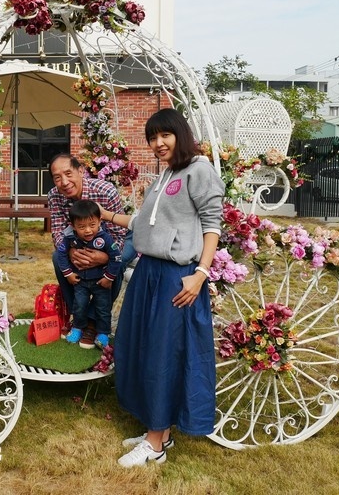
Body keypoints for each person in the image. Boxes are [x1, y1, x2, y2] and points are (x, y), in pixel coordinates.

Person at [98, 108, 224, 468]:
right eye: (152, 138)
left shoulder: (199, 171)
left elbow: (213, 226)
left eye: (164, 135)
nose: (157, 143)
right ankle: (159, 432)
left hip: (175, 276)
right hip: (149, 273)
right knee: (141, 348)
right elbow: (142, 223)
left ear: (180, 134)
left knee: (164, 355)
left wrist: (200, 273)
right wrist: (104, 215)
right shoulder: (164, 175)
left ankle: (154, 443)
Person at [48, 154, 134, 348]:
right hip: (79, 244)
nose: (64, 182)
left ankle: (94, 321)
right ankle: (79, 318)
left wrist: (104, 257)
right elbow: (58, 231)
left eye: (68, 174)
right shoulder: (55, 195)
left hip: (118, 239)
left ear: (81, 171)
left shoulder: (105, 190)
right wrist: (70, 252)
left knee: (117, 262)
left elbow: (118, 233)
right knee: (57, 257)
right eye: (57, 177)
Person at [57, 199, 121, 349]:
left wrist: (108, 278)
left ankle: (103, 333)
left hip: (101, 282)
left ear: (99, 221)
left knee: (103, 308)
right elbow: (60, 255)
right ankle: (78, 328)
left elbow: (116, 258)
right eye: (81, 227)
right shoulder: (70, 238)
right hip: (81, 282)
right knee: (79, 306)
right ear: (73, 226)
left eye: (92, 225)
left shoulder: (105, 239)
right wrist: (68, 274)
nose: (88, 230)